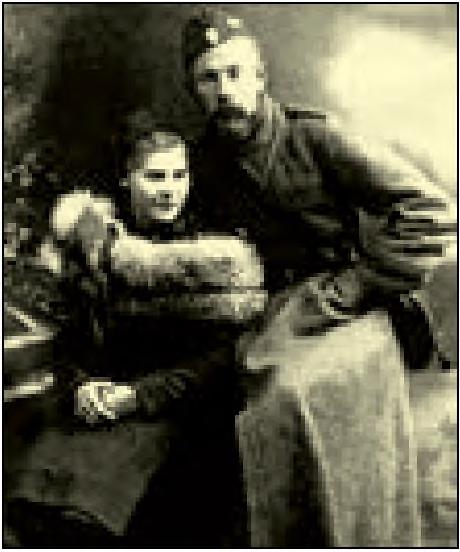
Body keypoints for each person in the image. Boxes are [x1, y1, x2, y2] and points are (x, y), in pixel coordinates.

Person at [180, 7, 457, 546]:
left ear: (260, 76)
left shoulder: (314, 137)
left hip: (345, 307)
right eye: (209, 78)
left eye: (235, 73)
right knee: (226, 408)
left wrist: (360, 284)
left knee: (288, 396)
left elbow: (430, 211)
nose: (225, 90)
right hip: (266, 312)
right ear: (195, 90)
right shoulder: (201, 162)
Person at [5, 118, 266, 547]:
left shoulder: (212, 255)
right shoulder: (99, 246)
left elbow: (218, 363)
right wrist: (82, 386)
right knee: (29, 506)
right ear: (126, 179)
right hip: (100, 400)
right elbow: (73, 338)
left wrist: (137, 397)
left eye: (179, 176)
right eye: (155, 177)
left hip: (172, 410)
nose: (169, 190)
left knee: (105, 519)